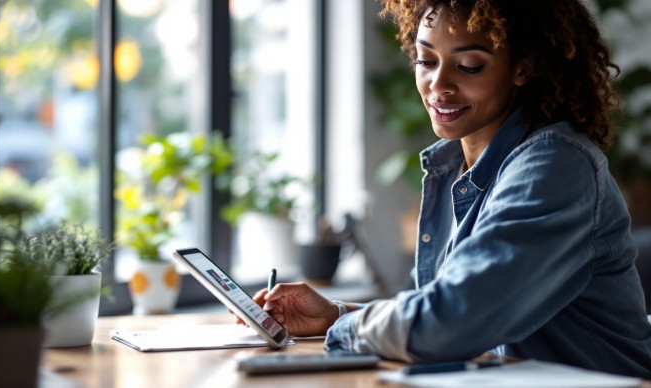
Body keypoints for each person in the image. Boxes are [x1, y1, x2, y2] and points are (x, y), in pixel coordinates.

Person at [238, 0, 651, 378]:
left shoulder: (554, 167)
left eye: (469, 65)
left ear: (523, 67)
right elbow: (442, 310)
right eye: (425, 60)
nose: (438, 84)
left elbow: (450, 324)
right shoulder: (454, 166)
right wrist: (335, 314)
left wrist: (346, 326)